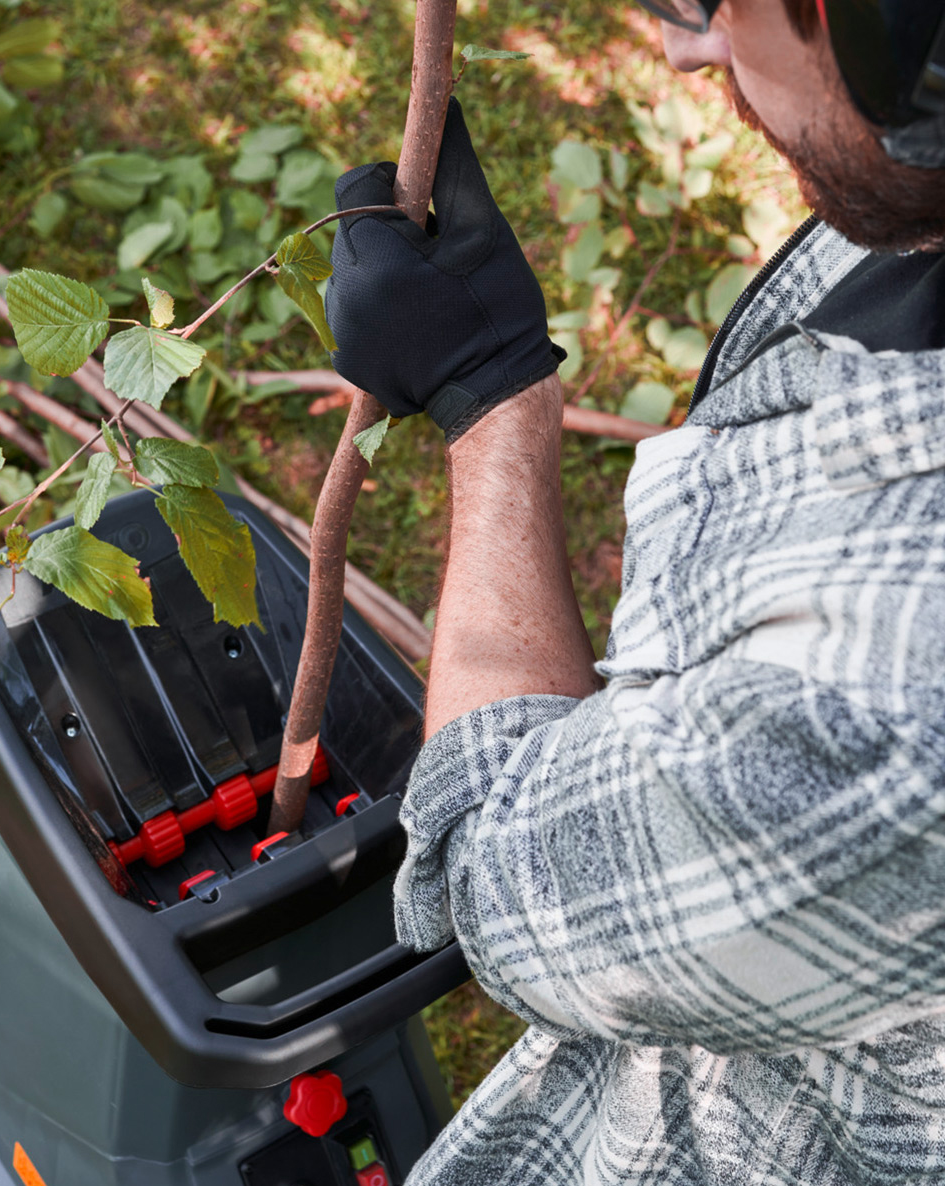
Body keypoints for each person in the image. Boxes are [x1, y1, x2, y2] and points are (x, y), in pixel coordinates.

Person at [325, 0, 945, 1181]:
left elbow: (497, 878)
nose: (682, 47)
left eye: (715, 3)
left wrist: (489, 407)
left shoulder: (872, 711)